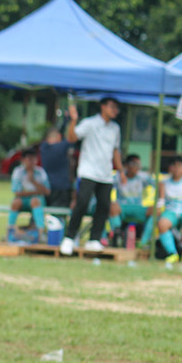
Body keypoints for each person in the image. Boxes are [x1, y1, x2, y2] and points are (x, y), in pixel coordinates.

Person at [59, 98, 124, 255]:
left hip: (106, 174)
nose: (115, 110)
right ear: (103, 107)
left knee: (103, 206)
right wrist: (73, 120)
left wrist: (121, 171)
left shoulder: (115, 128)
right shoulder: (90, 123)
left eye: (117, 108)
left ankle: (94, 240)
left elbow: (115, 151)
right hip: (88, 172)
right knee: (82, 203)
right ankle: (69, 238)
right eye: (112, 107)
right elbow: (72, 138)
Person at [108, 154, 156, 247]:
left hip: (138, 208)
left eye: (138, 164)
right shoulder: (118, 176)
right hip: (123, 208)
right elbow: (105, 188)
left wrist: (160, 200)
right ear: (127, 165)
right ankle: (117, 235)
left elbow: (159, 185)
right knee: (112, 206)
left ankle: (144, 242)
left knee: (155, 210)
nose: (137, 167)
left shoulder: (143, 177)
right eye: (134, 164)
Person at [8, 147, 49, 241]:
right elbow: (16, 192)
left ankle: (40, 232)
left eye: (34, 159)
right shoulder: (18, 172)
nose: (32, 162)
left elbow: (47, 191)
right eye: (29, 159)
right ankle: (10, 230)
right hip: (23, 200)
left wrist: (32, 181)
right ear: (23, 160)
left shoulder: (40, 172)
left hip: (36, 200)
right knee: (16, 202)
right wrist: (36, 192)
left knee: (35, 201)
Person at [39, 126, 73, 208]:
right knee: (58, 215)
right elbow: (71, 139)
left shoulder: (43, 147)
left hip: (45, 187)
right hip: (62, 187)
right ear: (59, 136)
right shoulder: (61, 147)